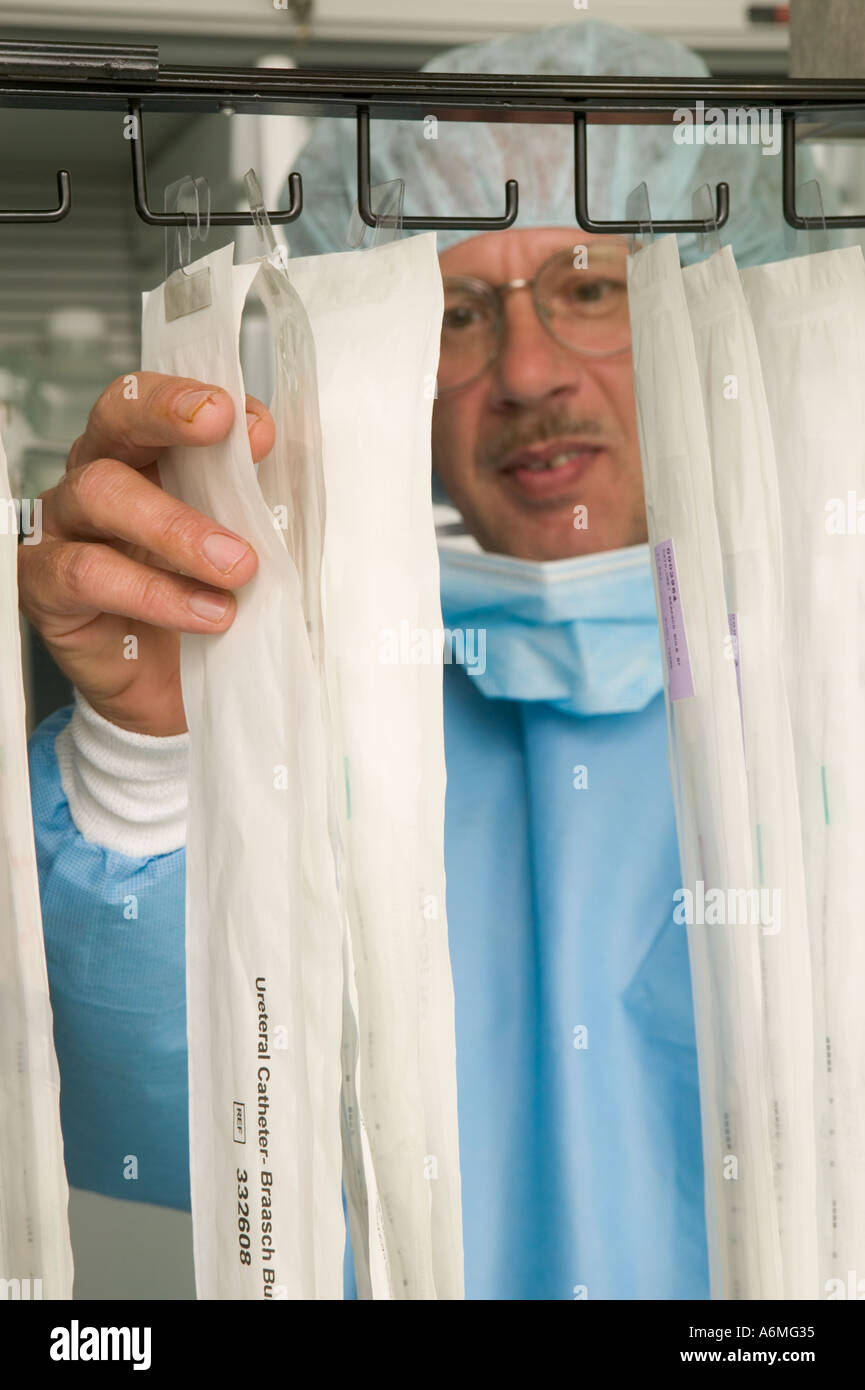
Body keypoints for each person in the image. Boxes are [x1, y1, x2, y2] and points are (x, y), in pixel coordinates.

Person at [19, 20, 789, 1299]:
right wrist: (149, 754)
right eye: (455, 314)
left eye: (591, 286)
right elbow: (173, 1141)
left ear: (713, 311)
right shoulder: (318, 699)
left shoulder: (831, 701)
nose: (527, 373)